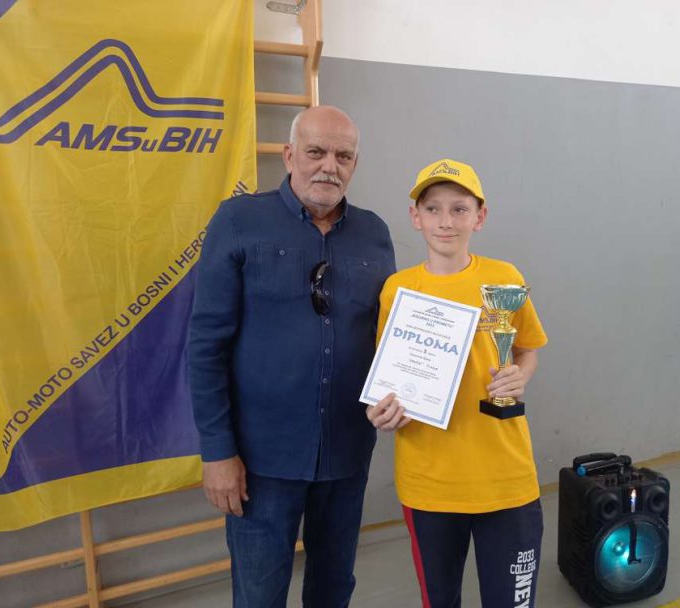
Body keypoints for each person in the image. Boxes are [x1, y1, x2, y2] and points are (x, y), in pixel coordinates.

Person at [188, 106, 396, 608]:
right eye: (316, 152)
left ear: (355, 164)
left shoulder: (375, 233)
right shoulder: (238, 221)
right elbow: (206, 345)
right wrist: (217, 453)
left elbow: (388, 336)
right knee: (259, 595)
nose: (330, 166)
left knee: (333, 589)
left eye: (343, 156)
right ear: (288, 155)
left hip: (346, 453)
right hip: (261, 461)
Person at [366, 158, 548, 608]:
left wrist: (519, 375)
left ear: (479, 217)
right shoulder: (397, 289)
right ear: (415, 217)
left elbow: (527, 349)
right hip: (429, 483)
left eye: (459, 209)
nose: (445, 221)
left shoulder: (505, 278)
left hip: (506, 479)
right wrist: (382, 410)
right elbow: (388, 378)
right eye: (433, 209)